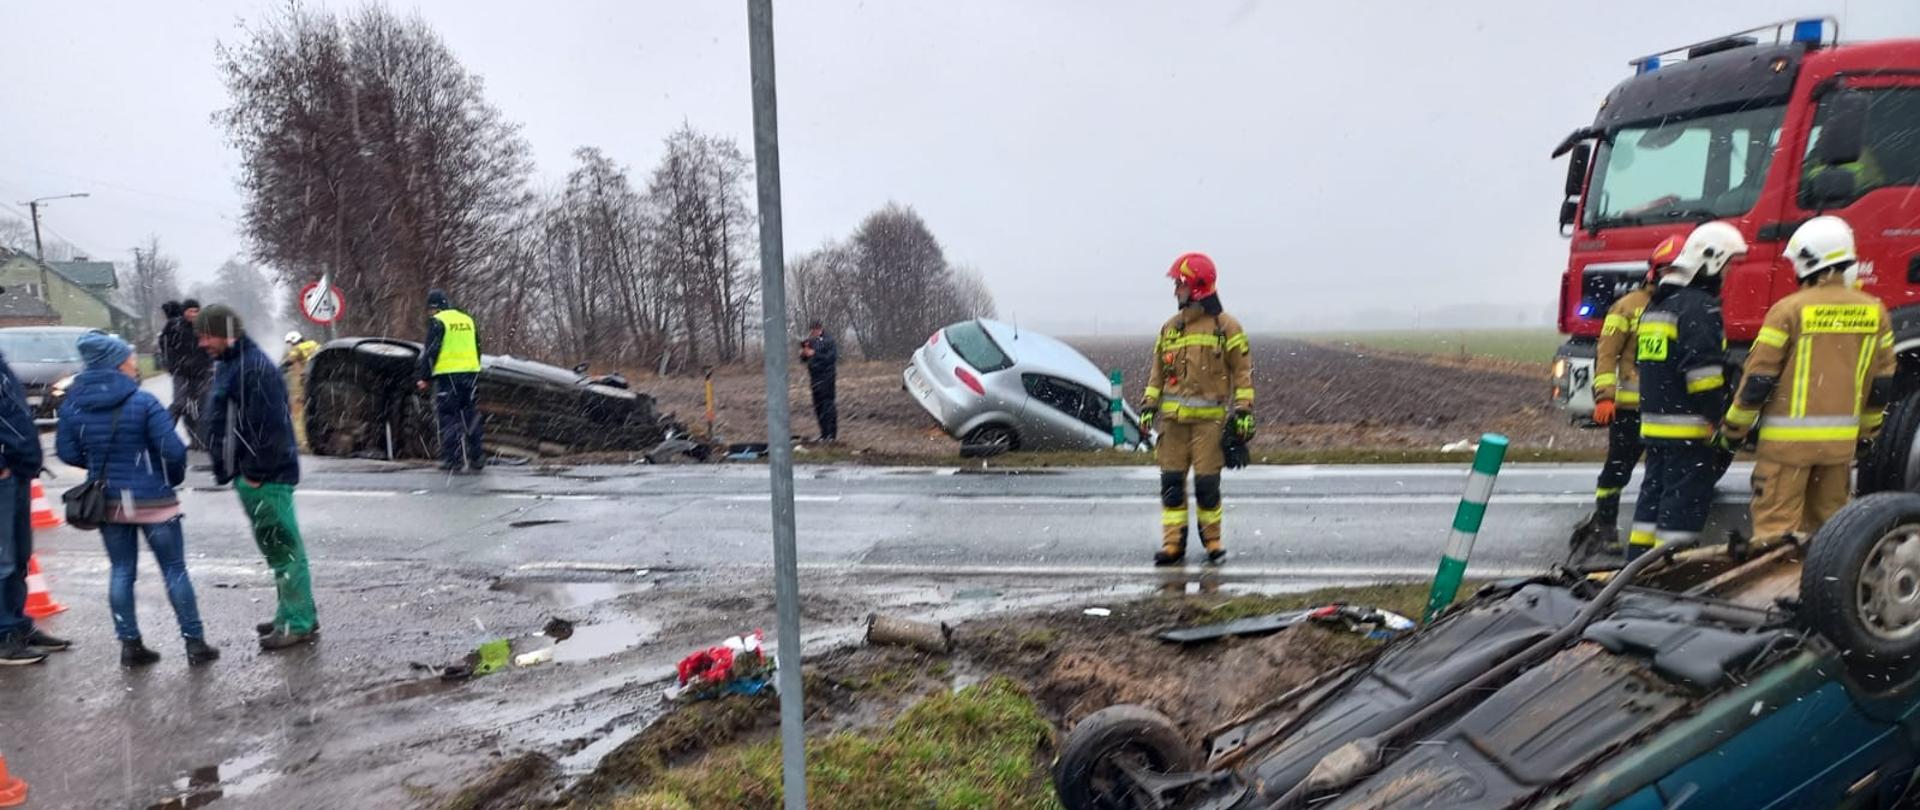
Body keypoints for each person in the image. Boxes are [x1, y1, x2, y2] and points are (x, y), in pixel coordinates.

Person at [1720, 216, 1894, 547]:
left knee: (1776, 537)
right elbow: (1881, 385)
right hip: (1839, 449)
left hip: (1786, 451)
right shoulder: (1875, 311)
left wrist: (1733, 431)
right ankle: (1818, 595)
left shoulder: (1788, 310)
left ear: (1810, 260)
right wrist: (1867, 435)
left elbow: (1758, 380)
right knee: (1831, 536)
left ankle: (1774, 598)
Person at [56, 333, 218, 667]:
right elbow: (173, 450)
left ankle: (130, 645)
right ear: (116, 363)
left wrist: (100, 463)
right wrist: (168, 478)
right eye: (129, 358)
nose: (134, 363)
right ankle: (194, 643)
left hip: (109, 501)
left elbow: (67, 451)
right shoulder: (142, 402)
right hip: (154, 500)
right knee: (174, 570)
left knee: (121, 570)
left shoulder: (72, 403)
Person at [199, 304, 317, 650]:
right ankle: (294, 613)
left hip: (263, 476)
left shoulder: (252, 368)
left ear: (227, 332)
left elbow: (271, 427)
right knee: (277, 549)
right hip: (254, 473)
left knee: (283, 548)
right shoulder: (235, 363)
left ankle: (298, 622)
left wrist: (254, 472)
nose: (203, 343)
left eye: (208, 335)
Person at [1629, 222, 1747, 560]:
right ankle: (1671, 577)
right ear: (1710, 263)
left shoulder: (1657, 308)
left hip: (1655, 429)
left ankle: (1634, 573)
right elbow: (1704, 378)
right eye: (1725, 266)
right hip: (1689, 431)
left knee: (1650, 507)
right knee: (1680, 513)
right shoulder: (1700, 308)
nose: (1726, 275)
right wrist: (1720, 417)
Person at [1140, 252, 1254, 566]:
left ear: (1198, 287)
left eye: (1180, 284)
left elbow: (1242, 373)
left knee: (1207, 487)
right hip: (1173, 426)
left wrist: (1244, 411)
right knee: (1172, 487)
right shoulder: (1170, 328)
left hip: (1208, 427)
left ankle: (1213, 542)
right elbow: (1157, 375)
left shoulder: (1226, 327)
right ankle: (1173, 545)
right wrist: (1149, 406)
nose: (1176, 290)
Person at [1569, 246, 1666, 556]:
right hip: (1628, 408)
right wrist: (1605, 398)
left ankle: (1651, 539)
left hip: (1662, 409)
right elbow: (1607, 354)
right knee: (1617, 470)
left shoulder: (1674, 306)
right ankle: (1605, 527)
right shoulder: (1626, 307)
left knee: (1659, 474)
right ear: (1654, 272)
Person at [0, 313, 54, 665]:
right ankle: (5, 635)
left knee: (20, 555)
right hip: (4, 472)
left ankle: (20, 625)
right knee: (3, 559)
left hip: (17, 470)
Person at [416, 289, 484, 473]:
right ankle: (477, 457)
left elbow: (431, 352)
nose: (430, 314)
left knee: (448, 417)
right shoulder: (467, 320)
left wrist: (424, 377)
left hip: (448, 377)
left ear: (436, 308)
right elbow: (478, 347)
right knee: (469, 415)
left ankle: (453, 460)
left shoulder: (439, 322)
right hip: (469, 375)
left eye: (431, 310)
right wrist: (474, 368)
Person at [163, 298, 213, 450]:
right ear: (184, 312)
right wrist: (173, 365)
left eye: (197, 311)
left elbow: (211, 348)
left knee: (203, 406)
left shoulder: (204, 327)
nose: (194, 314)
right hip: (181, 372)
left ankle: (200, 440)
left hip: (202, 372)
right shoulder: (174, 327)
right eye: (191, 311)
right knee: (180, 404)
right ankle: (161, 435)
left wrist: (210, 365)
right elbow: (166, 348)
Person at [282, 331, 322, 453]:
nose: (290, 346)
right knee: (316, 410)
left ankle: (303, 442)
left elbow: (288, 361)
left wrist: (276, 371)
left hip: (304, 383)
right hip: (318, 381)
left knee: (299, 415)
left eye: (290, 343)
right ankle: (318, 438)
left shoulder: (297, 349)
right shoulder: (315, 344)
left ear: (294, 341)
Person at [800, 320, 839, 442]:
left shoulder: (829, 341)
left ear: (820, 329)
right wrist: (804, 353)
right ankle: (823, 433)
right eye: (811, 331)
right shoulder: (811, 342)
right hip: (815, 378)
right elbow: (805, 360)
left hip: (827, 377)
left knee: (828, 405)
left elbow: (831, 358)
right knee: (818, 406)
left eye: (815, 330)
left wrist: (815, 353)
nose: (813, 333)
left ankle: (831, 435)